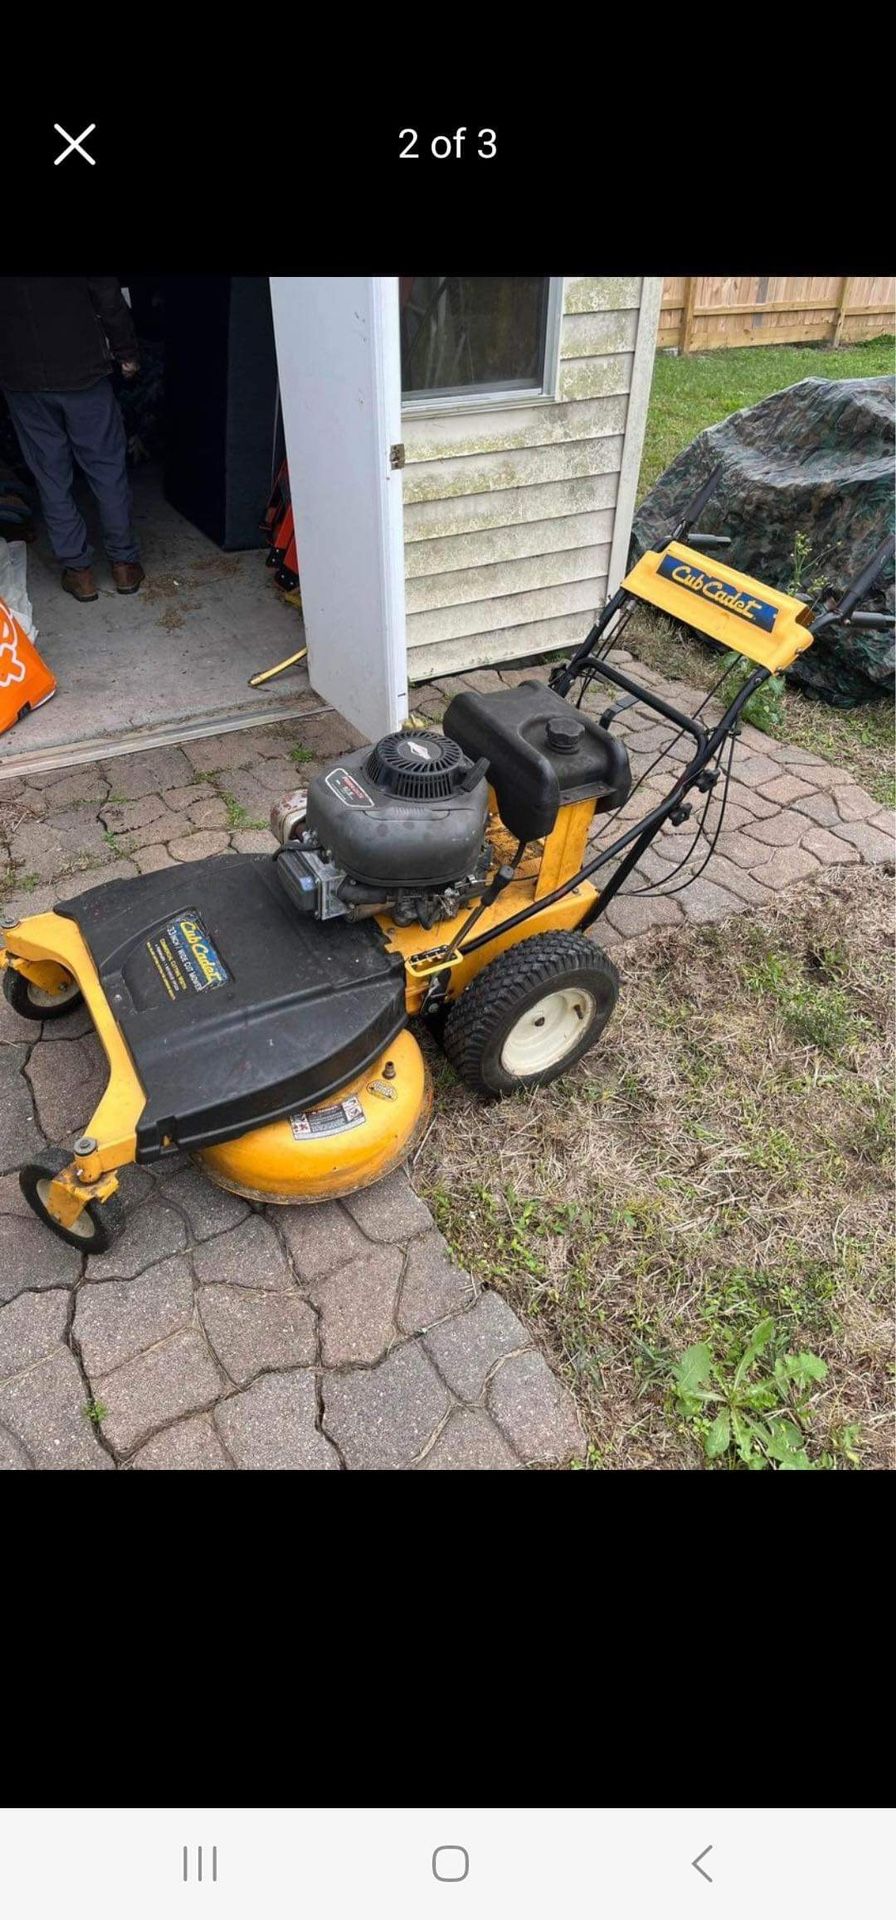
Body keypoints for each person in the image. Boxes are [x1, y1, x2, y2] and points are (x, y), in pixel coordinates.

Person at [0, 277, 144, 602]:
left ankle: (79, 573)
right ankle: (124, 564)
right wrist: (127, 353)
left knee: (50, 475)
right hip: (83, 370)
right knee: (106, 468)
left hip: (22, 377)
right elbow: (110, 299)